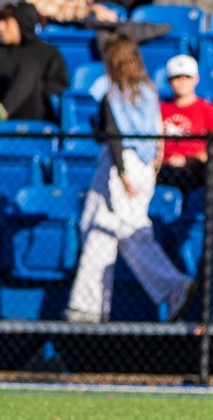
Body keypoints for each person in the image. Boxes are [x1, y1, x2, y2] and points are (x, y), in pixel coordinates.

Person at [65, 33, 189, 322]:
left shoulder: (112, 93)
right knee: (105, 229)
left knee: (122, 230)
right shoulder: (148, 90)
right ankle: (88, 305)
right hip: (144, 167)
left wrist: (122, 174)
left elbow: (113, 136)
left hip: (120, 168)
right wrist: (150, 170)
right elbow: (157, 136)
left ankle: (173, 286)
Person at [0, 3, 66, 123]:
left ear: (22, 24)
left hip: (31, 115)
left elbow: (57, 87)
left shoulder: (49, 53)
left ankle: (2, 114)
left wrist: (24, 87)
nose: (0, 27)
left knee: (29, 67)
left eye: (6, 22)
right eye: (0, 21)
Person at [157, 53, 213, 194]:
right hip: (163, 168)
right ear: (169, 81)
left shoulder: (209, 110)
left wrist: (193, 158)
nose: (182, 81)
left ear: (196, 80)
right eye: (176, 77)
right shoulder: (159, 110)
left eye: (187, 77)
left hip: (194, 170)